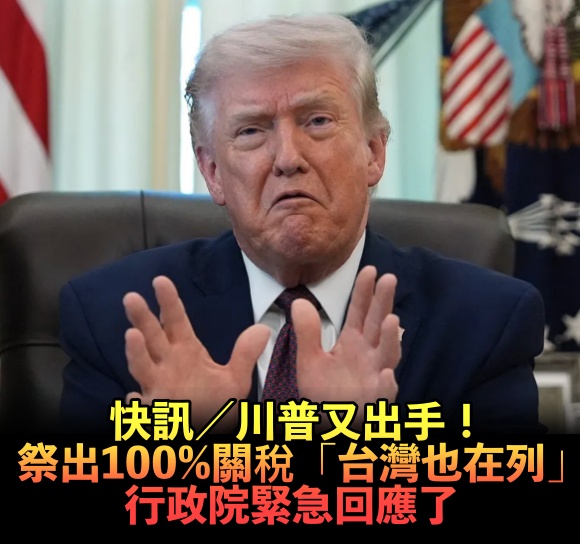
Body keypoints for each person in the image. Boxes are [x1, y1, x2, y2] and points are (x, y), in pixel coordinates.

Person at [58, 13, 546, 435]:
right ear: (212, 172)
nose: (288, 158)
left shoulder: (483, 322)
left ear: (373, 152)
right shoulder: (116, 320)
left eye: (317, 121)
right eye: (251, 130)